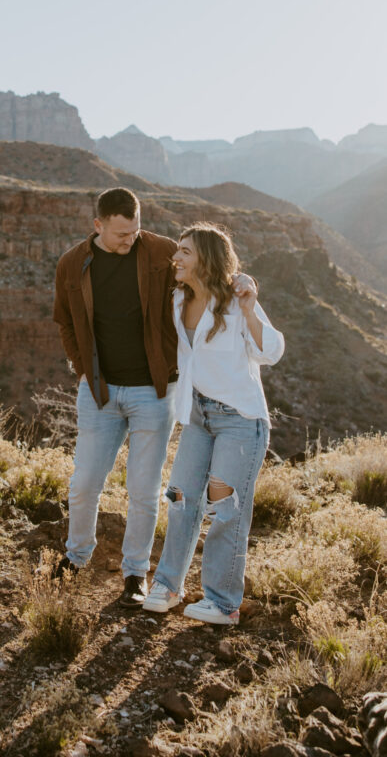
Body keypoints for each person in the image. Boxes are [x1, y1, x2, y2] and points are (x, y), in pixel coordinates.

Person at [142, 222, 285, 625]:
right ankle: (168, 586)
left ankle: (223, 603)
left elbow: (271, 351)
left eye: (185, 251)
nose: (177, 258)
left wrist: (251, 303)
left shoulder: (236, 301)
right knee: (181, 500)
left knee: (226, 509)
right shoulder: (176, 300)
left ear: (205, 257)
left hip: (239, 422)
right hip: (198, 418)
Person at [52, 187, 179, 606]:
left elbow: (204, 280)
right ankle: (76, 557)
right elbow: (65, 321)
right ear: (98, 225)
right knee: (85, 482)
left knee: (143, 490)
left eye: (135, 231)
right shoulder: (72, 263)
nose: (130, 241)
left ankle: (135, 575)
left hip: (154, 393)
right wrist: (84, 369)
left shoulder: (162, 252)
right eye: (121, 234)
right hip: (100, 391)